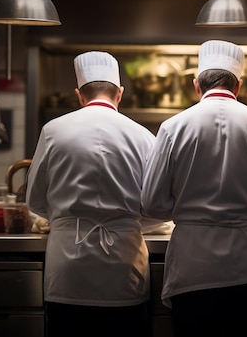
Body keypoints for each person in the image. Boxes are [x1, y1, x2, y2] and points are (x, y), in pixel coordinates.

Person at [140, 39, 247, 337]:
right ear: (239, 86)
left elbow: (152, 202)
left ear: (196, 85)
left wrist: (186, 210)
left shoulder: (173, 127)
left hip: (195, 266)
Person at [26, 51, 156, 337]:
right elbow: (155, 206)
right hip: (125, 271)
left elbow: (34, 200)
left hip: (68, 273)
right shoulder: (144, 136)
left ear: (78, 95)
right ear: (119, 94)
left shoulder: (53, 131)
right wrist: (127, 222)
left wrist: (68, 219)